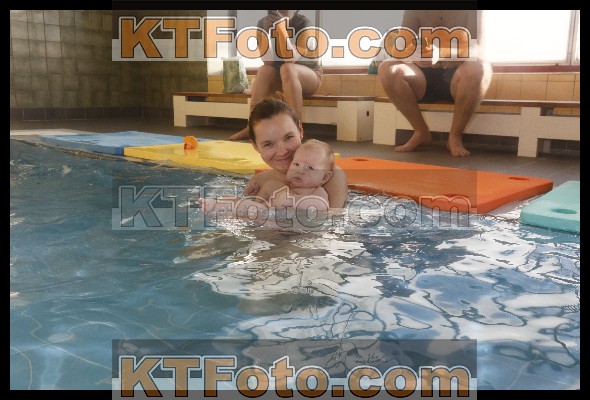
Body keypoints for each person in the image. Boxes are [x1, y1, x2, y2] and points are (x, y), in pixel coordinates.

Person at [377, 10, 492, 157]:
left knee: (480, 67)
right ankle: (420, 132)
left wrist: (442, 53)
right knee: (387, 68)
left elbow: (478, 49)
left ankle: (455, 137)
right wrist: (414, 55)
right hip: (423, 77)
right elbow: (400, 47)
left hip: (459, 76)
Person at [202, 98, 348, 213]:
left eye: (288, 137)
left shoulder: (331, 177)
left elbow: (332, 225)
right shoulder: (259, 181)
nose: (282, 152)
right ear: (255, 146)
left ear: (300, 131)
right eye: (268, 144)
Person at [228, 10, 322, 141]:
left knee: (287, 68)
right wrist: (265, 33)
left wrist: (280, 28)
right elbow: (268, 61)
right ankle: (251, 126)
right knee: (264, 70)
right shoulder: (263, 23)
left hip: (309, 76)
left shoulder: (303, 23)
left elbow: (291, 58)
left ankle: (295, 128)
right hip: (282, 76)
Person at [256, 139, 334, 209]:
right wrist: (257, 193)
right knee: (270, 185)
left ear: (325, 177)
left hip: (298, 219)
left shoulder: (316, 191)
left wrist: (291, 200)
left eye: (310, 168)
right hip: (273, 216)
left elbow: (321, 205)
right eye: (296, 164)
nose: (299, 171)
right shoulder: (281, 185)